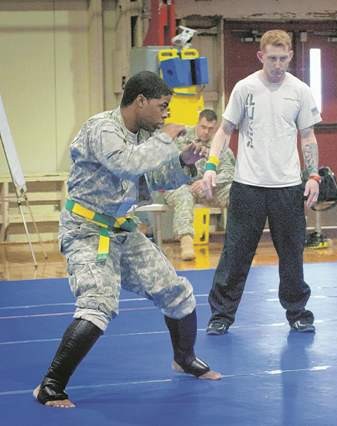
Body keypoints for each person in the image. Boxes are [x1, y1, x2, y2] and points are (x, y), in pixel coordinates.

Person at [33, 71, 221, 409]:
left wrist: (182, 162)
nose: (165, 114)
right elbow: (126, 165)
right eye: (162, 106)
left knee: (176, 291)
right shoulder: (102, 128)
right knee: (98, 304)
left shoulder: (145, 134)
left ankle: (184, 358)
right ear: (140, 101)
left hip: (122, 229)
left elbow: (153, 179)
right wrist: (165, 139)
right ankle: (50, 385)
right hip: (86, 231)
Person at [201, 29, 322, 336]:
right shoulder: (245, 88)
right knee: (236, 253)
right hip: (248, 185)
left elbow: (307, 136)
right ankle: (221, 315)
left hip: (287, 187)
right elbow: (224, 130)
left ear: (291, 57)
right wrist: (211, 166)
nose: (278, 65)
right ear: (261, 56)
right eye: (272, 58)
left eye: (283, 58)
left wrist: (313, 175)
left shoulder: (301, 91)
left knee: (292, 254)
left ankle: (298, 312)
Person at [147, 109, 235, 260]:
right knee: (184, 194)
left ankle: (240, 242)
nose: (206, 132)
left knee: (236, 194)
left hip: (207, 188)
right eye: (203, 127)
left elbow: (229, 172)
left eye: (210, 129)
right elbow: (164, 160)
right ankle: (186, 244)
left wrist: (209, 181)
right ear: (198, 122)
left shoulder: (219, 144)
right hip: (180, 185)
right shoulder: (181, 135)